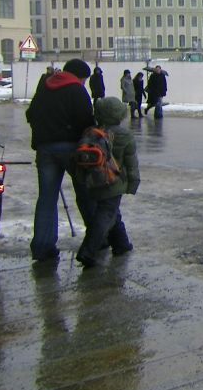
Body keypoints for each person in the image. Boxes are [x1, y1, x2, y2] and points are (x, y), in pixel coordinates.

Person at [25, 58, 96, 263]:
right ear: (78, 76)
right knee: (85, 193)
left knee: (46, 198)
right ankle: (96, 240)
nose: (83, 83)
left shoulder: (45, 87)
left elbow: (30, 114)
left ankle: (42, 247)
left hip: (45, 148)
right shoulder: (76, 90)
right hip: (71, 148)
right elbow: (86, 121)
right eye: (83, 79)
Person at [75, 97, 138, 268]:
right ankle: (87, 251)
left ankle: (121, 244)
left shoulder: (91, 132)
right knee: (106, 215)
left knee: (111, 212)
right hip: (113, 180)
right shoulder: (124, 135)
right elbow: (131, 163)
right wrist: (133, 183)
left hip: (94, 179)